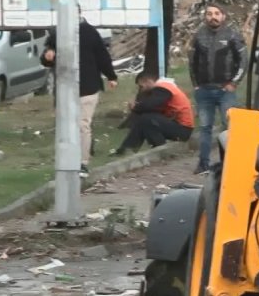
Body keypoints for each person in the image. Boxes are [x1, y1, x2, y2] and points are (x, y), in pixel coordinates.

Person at [40, 15, 117, 178]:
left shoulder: (89, 32)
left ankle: (83, 162)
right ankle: (67, 160)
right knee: (66, 125)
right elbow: (46, 57)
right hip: (64, 88)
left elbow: (102, 56)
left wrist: (111, 76)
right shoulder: (57, 33)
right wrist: (48, 55)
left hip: (87, 87)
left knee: (82, 124)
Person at [189, 3, 248, 174]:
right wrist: (196, 85)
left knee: (228, 127)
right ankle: (203, 164)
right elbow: (192, 62)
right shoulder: (199, 36)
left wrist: (234, 83)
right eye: (209, 14)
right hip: (204, 90)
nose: (212, 17)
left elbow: (243, 61)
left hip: (225, 90)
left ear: (223, 16)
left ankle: (230, 164)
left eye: (216, 13)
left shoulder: (232, 35)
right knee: (205, 128)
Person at [111, 73, 194, 154]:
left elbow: (150, 105)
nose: (141, 90)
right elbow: (153, 108)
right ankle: (127, 150)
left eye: (141, 86)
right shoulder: (165, 88)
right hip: (178, 125)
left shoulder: (163, 88)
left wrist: (135, 107)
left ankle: (159, 149)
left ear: (148, 81)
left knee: (146, 119)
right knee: (145, 120)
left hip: (183, 129)